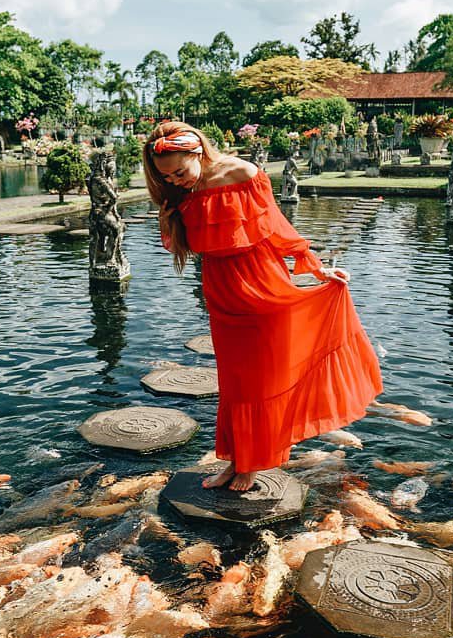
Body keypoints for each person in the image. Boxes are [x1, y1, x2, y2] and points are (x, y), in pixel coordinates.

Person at [143, 121, 383, 491]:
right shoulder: (179, 194)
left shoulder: (243, 173)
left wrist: (318, 269)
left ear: (198, 152)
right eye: (166, 176)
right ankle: (235, 460)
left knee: (258, 383)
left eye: (178, 171)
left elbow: (276, 228)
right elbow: (181, 247)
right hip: (221, 295)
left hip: (261, 287)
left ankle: (251, 465)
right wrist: (168, 215)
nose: (173, 180)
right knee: (235, 385)